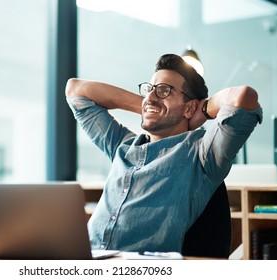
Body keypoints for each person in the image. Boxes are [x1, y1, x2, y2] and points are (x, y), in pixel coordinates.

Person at [65, 54, 262, 253]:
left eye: (164, 91)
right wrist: (150, 106)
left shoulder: (201, 155)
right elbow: (76, 90)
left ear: (190, 106)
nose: (150, 96)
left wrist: (201, 110)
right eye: (149, 90)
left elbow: (244, 97)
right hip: (84, 259)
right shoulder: (122, 145)